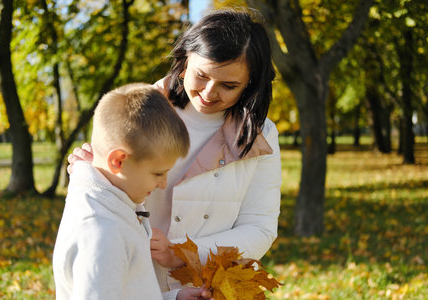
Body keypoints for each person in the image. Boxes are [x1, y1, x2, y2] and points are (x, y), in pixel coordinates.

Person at [68, 8, 282, 293]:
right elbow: (101, 200)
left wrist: (182, 254)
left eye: (229, 85)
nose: (209, 93)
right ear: (184, 62)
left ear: (250, 84)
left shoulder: (260, 135)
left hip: (203, 286)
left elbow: (260, 226)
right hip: (131, 277)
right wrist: (88, 173)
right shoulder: (136, 110)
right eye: (201, 76)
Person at [53, 83, 212, 300]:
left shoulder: (116, 204)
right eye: (158, 174)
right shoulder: (100, 232)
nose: (163, 184)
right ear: (118, 161)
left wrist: (173, 297)